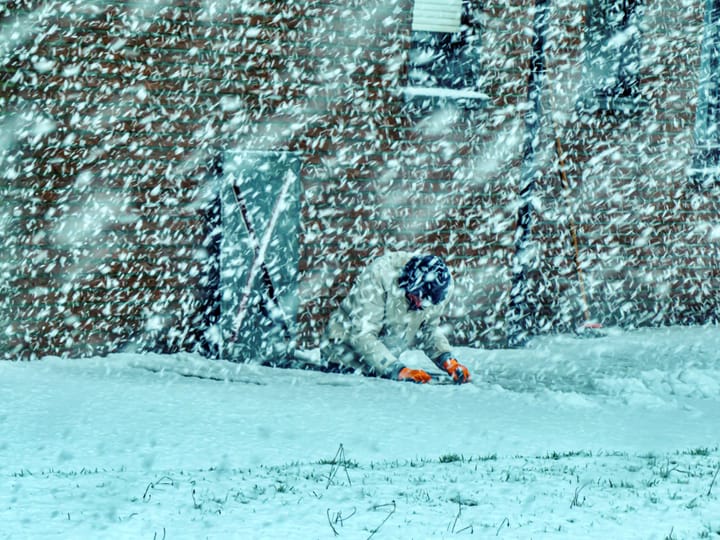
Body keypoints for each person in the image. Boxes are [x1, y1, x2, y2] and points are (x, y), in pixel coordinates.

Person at [322, 251, 471, 384]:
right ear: (410, 282)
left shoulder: (440, 289)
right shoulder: (379, 275)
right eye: (418, 296)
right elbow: (362, 334)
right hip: (343, 358)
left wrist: (447, 360)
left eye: (426, 302)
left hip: (382, 367)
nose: (420, 304)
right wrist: (397, 369)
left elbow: (428, 329)